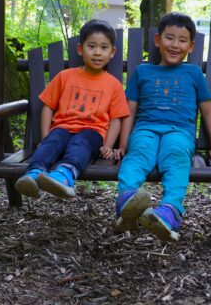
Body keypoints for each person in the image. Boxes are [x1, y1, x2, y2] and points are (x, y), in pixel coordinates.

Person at [113, 12, 211, 241]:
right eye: (169, 38)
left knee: (176, 156)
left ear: (191, 46)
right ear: (157, 40)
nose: (175, 45)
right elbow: (130, 110)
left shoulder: (194, 73)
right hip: (146, 129)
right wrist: (123, 143)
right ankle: (127, 200)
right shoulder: (143, 72)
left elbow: (207, 110)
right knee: (137, 155)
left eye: (182, 40)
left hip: (179, 132)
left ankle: (170, 211)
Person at [15, 19, 129, 199]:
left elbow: (116, 118)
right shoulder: (65, 77)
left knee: (80, 143)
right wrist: (45, 136)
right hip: (62, 127)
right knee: (52, 141)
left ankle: (65, 176)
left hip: (93, 132)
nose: (97, 52)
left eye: (104, 48)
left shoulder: (113, 85)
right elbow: (48, 106)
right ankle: (33, 175)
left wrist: (108, 144)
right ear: (80, 49)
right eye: (91, 46)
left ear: (112, 52)